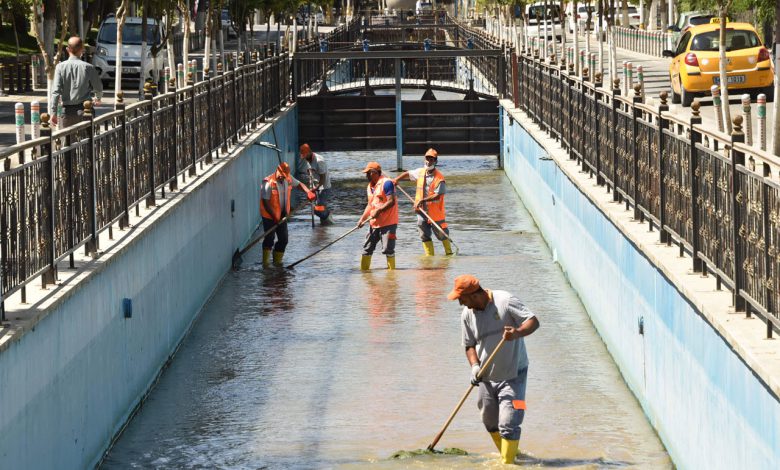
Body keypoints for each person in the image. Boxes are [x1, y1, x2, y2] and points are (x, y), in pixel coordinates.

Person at [448, 274, 540, 465]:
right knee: (489, 420)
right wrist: (474, 367)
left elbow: (533, 321)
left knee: (510, 420)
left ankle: (507, 464)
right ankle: (512, 454)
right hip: (487, 375)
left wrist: (518, 333)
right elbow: (469, 345)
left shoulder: (505, 301)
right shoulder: (467, 315)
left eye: (461, 298)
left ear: (473, 294)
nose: (460, 303)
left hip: (515, 373)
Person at [393, 148, 451, 256]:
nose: (429, 161)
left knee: (442, 235)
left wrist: (423, 200)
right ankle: (429, 258)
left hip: (435, 214)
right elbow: (408, 174)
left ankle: (449, 253)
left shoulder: (439, 178)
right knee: (424, 235)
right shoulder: (420, 172)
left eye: (432, 159)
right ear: (425, 159)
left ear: (435, 161)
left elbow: (438, 195)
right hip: (421, 211)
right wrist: (396, 179)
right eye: (427, 158)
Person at [260, 162, 316, 266]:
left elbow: (299, 184)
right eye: (281, 176)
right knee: (269, 239)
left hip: (282, 214)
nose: (283, 178)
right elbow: (265, 202)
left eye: (284, 176)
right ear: (277, 170)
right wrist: (274, 217)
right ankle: (266, 264)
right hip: (269, 215)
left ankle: (277, 263)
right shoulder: (268, 182)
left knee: (284, 239)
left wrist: (308, 191)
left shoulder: (288, 178)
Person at [50, 36, 103, 128]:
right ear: (82, 49)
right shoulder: (89, 67)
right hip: (85, 111)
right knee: (87, 140)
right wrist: (98, 98)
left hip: (67, 112)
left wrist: (53, 112)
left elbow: (55, 91)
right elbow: (98, 87)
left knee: (69, 140)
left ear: (67, 49)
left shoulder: (60, 67)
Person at [356, 161, 399, 270]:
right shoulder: (369, 187)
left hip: (388, 223)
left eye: (368, 173)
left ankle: (391, 277)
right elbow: (370, 205)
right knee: (367, 249)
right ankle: (364, 274)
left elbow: (391, 201)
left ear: (375, 173)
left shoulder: (387, 183)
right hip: (374, 223)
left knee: (388, 249)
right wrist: (362, 219)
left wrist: (379, 211)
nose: (366, 175)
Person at [299, 143, 334, 225]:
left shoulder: (319, 161)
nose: (304, 158)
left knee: (317, 210)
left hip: (324, 188)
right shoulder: (308, 159)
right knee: (319, 208)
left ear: (309, 152)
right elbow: (311, 173)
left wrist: (315, 189)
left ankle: (328, 214)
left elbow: (323, 178)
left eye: (305, 156)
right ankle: (324, 228)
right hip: (316, 187)